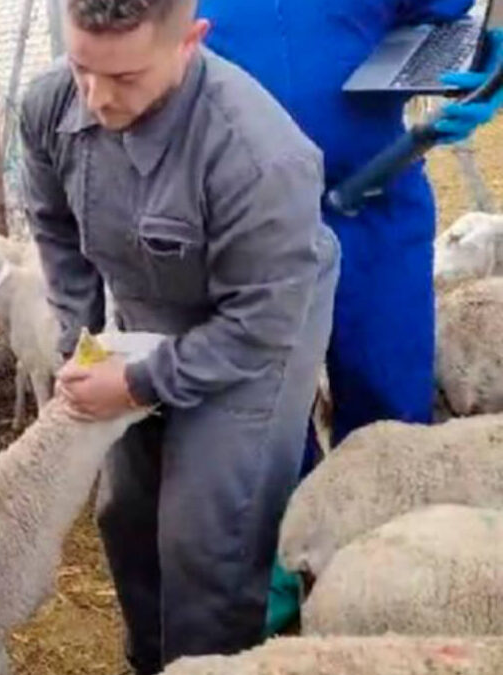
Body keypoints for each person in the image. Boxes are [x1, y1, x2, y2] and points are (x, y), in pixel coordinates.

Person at [18, 0, 340, 672]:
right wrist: (80, 340)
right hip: (145, 309)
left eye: (126, 78)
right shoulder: (52, 106)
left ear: (190, 41)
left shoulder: (258, 154)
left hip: (256, 331)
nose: (97, 98)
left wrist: (135, 382)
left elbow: (259, 326)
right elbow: (53, 224)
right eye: (83, 68)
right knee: (126, 512)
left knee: (206, 534)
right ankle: (152, 661)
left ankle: (212, 660)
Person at [195, 0, 503, 635]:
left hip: (374, 199)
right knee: (262, 425)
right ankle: (287, 608)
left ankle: (397, 608)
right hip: (242, 219)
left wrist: (487, 54)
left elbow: (448, 15)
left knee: (390, 421)